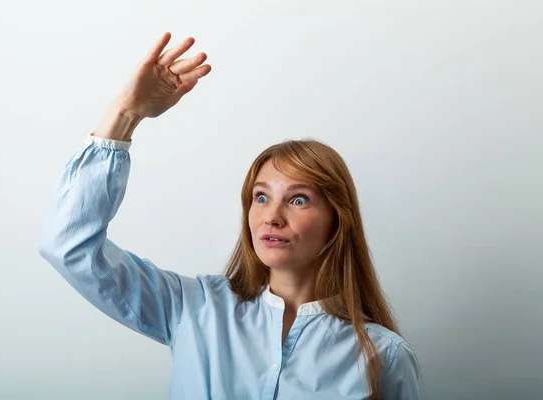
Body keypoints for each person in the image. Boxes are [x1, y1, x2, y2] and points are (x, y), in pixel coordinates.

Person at [38, 32, 422, 400]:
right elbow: (68, 247)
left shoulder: (383, 357)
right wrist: (125, 114)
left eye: (299, 200)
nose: (271, 216)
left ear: (338, 219)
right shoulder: (195, 308)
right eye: (260, 197)